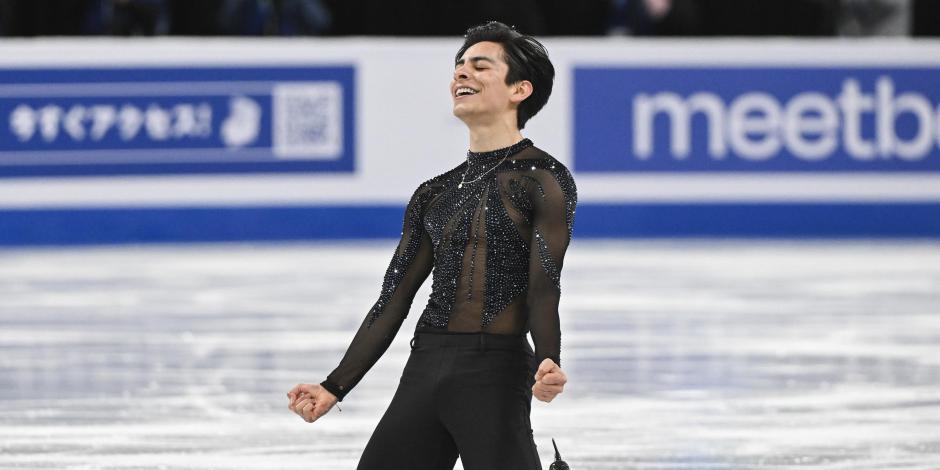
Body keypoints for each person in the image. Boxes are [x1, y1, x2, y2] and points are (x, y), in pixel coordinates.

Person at [287, 20, 577, 470]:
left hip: (494, 373)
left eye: (480, 66)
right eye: (459, 66)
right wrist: (334, 386)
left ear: (520, 89)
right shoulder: (433, 193)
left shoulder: (543, 180)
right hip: (425, 367)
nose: (462, 73)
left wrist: (548, 358)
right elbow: (393, 299)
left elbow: (544, 285)